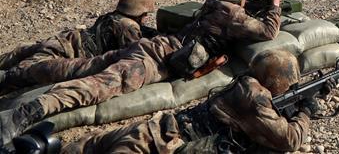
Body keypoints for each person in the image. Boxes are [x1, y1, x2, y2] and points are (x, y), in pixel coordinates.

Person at [0, 0, 286, 148]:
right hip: (154, 60)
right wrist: (275, 3)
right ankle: (22, 114)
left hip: (151, 46)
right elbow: (268, 31)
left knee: (76, 67)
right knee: (96, 86)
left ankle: (10, 78)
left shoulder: (211, 6)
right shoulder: (233, 14)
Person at [57, 49, 313, 153]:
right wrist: (305, 112)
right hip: (162, 147)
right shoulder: (256, 99)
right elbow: (289, 140)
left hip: (156, 127)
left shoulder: (243, 82)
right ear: (276, 82)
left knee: (84, 146)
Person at [0, 0, 156, 92]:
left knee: (13, 55)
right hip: (63, 52)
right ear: (138, 12)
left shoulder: (111, 16)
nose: (146, 18)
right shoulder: (128, 26)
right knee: (19, 74)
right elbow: (134, 53)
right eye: (145, 14)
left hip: (62, 40)